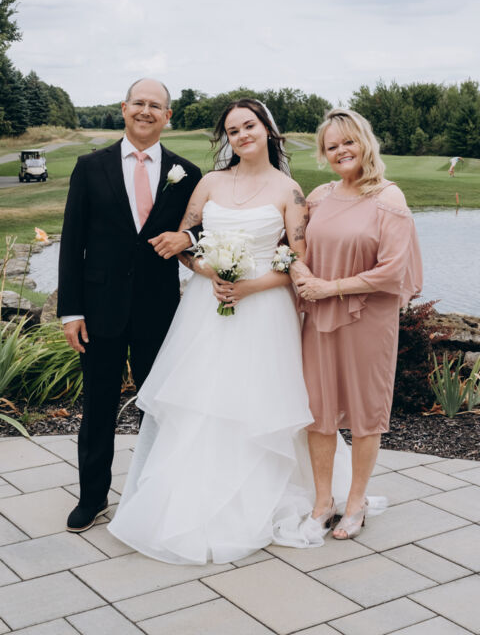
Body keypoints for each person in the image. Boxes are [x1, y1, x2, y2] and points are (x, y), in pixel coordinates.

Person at [107, 99, 353, 564]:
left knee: (257, 398)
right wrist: (210, 273)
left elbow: (298, 260)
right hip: (208, 305)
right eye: (233, 130)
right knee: (204, 397)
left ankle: (267, 494)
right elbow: (186, 243)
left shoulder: (288, 190)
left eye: (249, 126)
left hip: (264, 310)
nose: (242, 135)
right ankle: (190, 498)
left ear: (267, 130)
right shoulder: (210, 183)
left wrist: (249, 286)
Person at [57, 78, 202, 533]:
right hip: (99, 309)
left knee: (156, 406)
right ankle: (92, 498)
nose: (145, 110)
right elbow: (72, 242)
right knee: (98, 407)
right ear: (124, 108)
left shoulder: (186, 173)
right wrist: (71, 311)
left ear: (167, 116)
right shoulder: (90, 166)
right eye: (138, 102)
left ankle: (154, 497)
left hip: (159, 310)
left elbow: (208, 229)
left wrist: (188, 237)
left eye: (155, 105)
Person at [294, 108, 422, 539]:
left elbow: (392, 270)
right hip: (318, 319)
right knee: (318, 411)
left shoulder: (389, 198)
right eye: (332, 146)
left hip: (368, 320)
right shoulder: (319, 197)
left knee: (367, 412)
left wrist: (330, 288)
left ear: (365, 142)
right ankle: (322, 502)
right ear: (324, 154)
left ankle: (356, 502)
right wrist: (301, 274)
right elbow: (293, 249)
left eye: (348, 141)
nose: (341, 151)